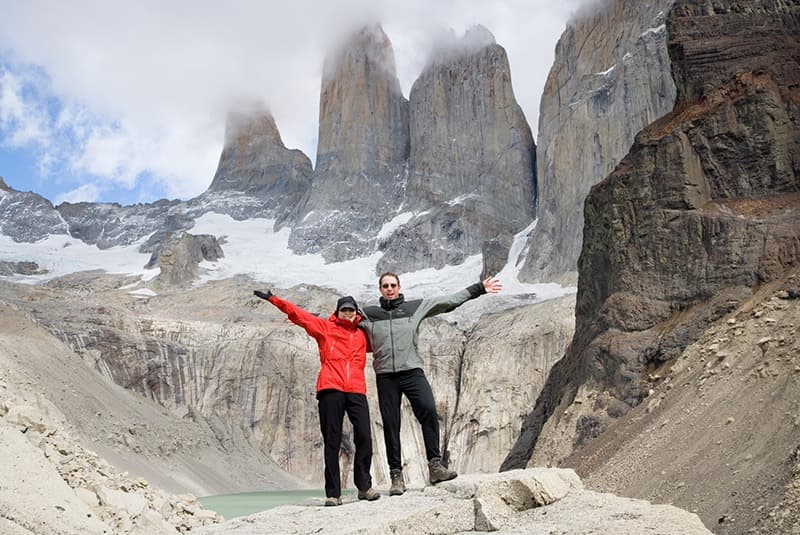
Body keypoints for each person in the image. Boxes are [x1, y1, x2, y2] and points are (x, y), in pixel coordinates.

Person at [358, 273, 502, 495]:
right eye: (385, 286)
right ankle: (396, 476)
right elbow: (341, 319)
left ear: (399, 287)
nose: (389, 289)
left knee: (428, 410)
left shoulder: (414, 308)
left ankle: (435, 466)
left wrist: (479, 288)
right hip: (386, 376)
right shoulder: (368, 314)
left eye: (393, 285)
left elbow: (449, 301)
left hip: (412, 371)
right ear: (380, 289)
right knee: (391, 423)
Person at [254, 289, 380, 506]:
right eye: (343, 310)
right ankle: (333, 494)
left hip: (356, 389)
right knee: (332, 440)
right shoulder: (325, 328)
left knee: (365, 438)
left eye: (350, 310)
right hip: (331, 388)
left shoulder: (362, 334)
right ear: (338, 312)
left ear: (356, 312)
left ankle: (364, 487)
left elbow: (385, 336)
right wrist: (274, 299)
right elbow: (298, 315)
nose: (347, 313)